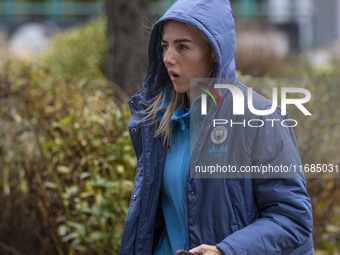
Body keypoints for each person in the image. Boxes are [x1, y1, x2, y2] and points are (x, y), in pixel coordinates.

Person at [119, 0, 314, 254]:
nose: (168, 58)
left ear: (214, 52)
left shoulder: (259, 117)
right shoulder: (156, 120)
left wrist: (227, 250)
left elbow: (292, 218)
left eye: (182, 47)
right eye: (165, 46)